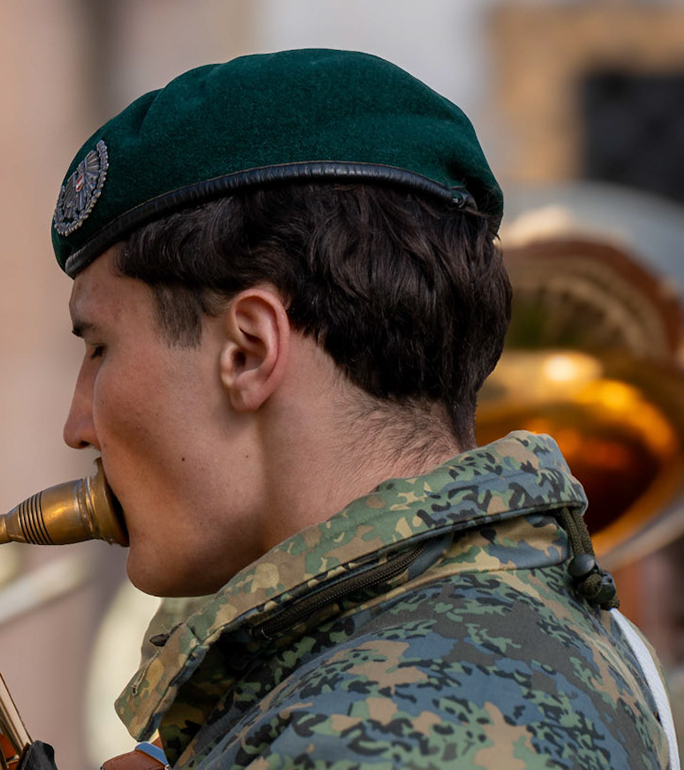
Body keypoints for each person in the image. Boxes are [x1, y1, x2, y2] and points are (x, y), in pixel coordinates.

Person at [48, 49, 677, 769]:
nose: (77, 426)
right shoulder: (539, 624)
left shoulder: (361, 735)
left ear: (248, 350)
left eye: (99, 347)